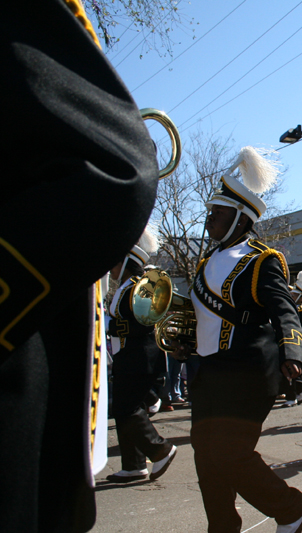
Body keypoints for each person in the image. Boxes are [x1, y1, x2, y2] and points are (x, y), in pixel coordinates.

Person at [1, 2, 159, 531]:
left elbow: (118, 170)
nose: (212, 223)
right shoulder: (124, 285)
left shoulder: (150, 285)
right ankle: (141, 459)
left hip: (132, 357)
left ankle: (149, 456)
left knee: (133, 412)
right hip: (101, 357)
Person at [172, 147, 302, 533]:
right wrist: (184, 341)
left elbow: (285, 309)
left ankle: (290, 507)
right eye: (211, 209)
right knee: (205, 457)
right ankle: (222, 527)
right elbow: (201, 316)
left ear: (240, 217)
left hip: (248, 371)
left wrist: (294, 353)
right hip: (208, 372)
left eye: (218, 210)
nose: (209, 216)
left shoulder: (261, 260)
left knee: (230, 454)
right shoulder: (204, 263)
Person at [106, 229, 177, 483]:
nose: (111, 268)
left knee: (126, 408)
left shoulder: (142, 285)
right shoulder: (126, 286)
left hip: (141, 357)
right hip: (129, 356)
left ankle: (160, 449)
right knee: (127, 409)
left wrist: (110, 327)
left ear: (128, 262)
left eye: (115, 262)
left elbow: (146, 323)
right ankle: (134, 465)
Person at [283, 272, 302, 407]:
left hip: (298, 342)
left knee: (297, 369)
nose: (292, 296)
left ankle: (301, 390)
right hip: (289, 341)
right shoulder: (292, 308)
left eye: (294, 295)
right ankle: (292, 395)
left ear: (301, 298)